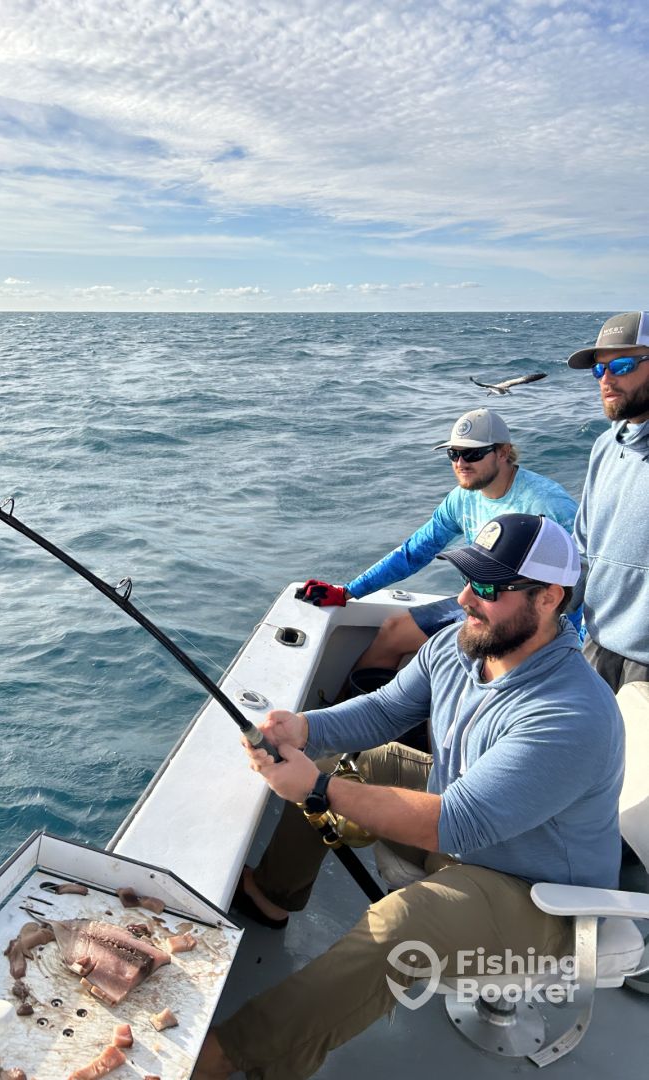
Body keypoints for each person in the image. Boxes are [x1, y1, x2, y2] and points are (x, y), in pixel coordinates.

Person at [195, 514, 623, 1080]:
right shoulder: (459, 645)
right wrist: (305, 729)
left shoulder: (570, 713)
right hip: (463, 828)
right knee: (328, 762)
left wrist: (317, 790)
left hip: (543, 899)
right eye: (466, 578)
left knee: (401, 929)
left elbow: (455, 823)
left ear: (548, 597)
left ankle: (232, 1056)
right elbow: (385, 710)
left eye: (488, 587)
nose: (465, 598)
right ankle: (274, 894)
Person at [296, 408, 578, 673]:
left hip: (526, 619)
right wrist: (348, 592)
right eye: (454, 454)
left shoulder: (547, 504)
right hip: (477, 601)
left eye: (472, 454)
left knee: (465, 667)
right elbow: (416, 551)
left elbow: (581, 578)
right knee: (393, 633)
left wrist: (575, 645)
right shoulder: (462, 498)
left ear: (504, 452)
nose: (460, 464)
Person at [567, 311, 649, 692]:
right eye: (599, 369)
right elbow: (583, 552)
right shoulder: (603, 447)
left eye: (621, 365)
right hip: (596, 647)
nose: (606, 379)